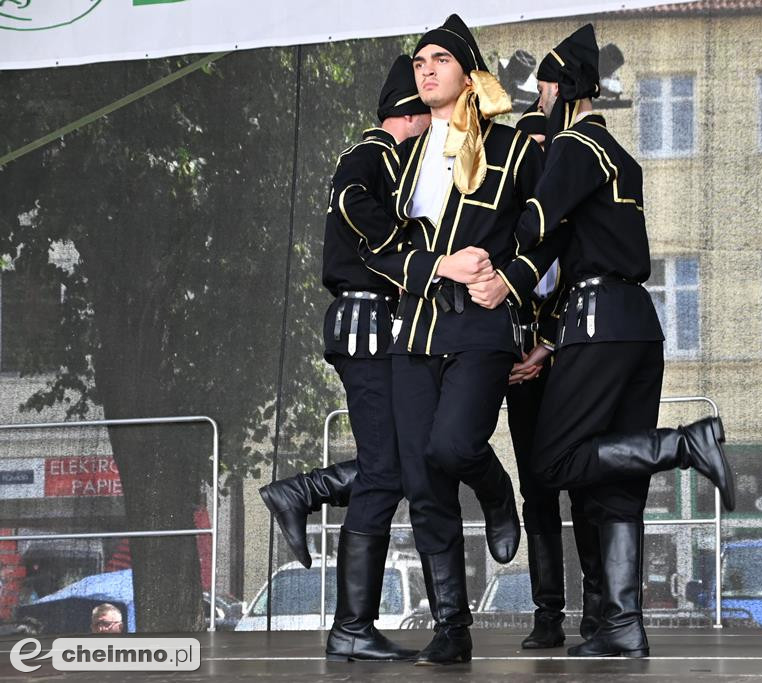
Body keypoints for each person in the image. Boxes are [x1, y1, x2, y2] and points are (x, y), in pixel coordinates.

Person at [467, 25, 737, 658]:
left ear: (560, 90)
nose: (537, 103)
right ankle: (621, 624)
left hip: (595, 319)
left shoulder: (573, 147)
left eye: (541, 94)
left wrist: (479, 253)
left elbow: (534, 221)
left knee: (551, 463)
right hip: (636, 322)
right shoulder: (621, 156)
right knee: (616, 484)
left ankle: (683, 443)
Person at [354, 14, 561, 665]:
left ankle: (495, 487)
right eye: (418, 61)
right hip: (414, 327)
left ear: (468, 74)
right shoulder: (401, 158)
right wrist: (432, 267)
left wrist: (514, 283)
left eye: (438, 58)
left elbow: (555, 230)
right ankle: (452, 624)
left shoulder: (516, 149)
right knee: (422, 474)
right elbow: (377, 250)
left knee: (452, 445)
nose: (425, 68)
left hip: (482, 325)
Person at [258, 55, 430, 662]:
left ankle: (305, 492)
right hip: (367, 323)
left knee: (405, 463)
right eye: (429, 113)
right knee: (388, 470)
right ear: (410, 113)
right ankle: (352, 626)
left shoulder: (383, 161)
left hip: (378, 324)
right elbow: (362, 214)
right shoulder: (370, 158)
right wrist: (419, 245)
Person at [506, 102, 602, 649]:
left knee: (585, 488)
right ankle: (548, 614)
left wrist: (549, 346)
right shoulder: (511, 226)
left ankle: (595, 611)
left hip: (574, 370)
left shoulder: (578, 217)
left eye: (545, 148)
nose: (537, 158)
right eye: (528, 150)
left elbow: (591, 288)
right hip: (524, 378)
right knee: (536, 493)